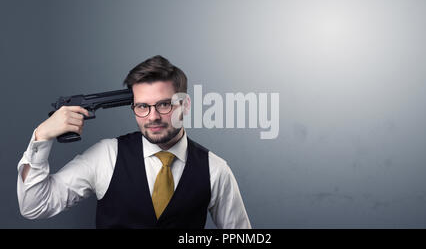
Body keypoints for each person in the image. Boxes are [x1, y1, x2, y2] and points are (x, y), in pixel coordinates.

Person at [17, 55, 251, 229]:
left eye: (164, 104)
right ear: (134, 108)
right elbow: (34, 206)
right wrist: (41, 137)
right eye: (142, 106)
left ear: (185, 105)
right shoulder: (105, 156)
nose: (153, 116)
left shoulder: (216, 169)